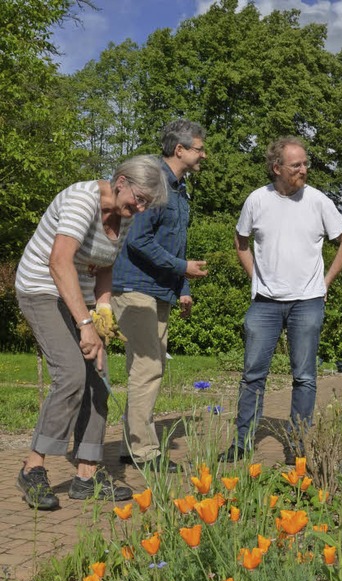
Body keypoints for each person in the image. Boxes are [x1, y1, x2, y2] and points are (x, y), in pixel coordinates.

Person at [15, 155, 168, 510]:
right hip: (41, 289)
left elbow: (104, 268)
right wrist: (84, 326)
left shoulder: (124, 217)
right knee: (70, 376)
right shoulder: (80, 200)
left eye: (148, 203)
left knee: (97, 379)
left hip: (78, 297)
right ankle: (32, 469)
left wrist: (101, 314)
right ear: (121, 181)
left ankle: (86, 475)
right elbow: (58, 262)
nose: (141, 207)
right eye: (139, 198)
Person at [221, 136, 342, 463]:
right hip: (265, 303)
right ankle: (242, 443)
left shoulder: (318, 201)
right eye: (296, 165)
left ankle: (297, 445)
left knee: (304, 376)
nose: (304, 169)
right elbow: (241, 241)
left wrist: (325, 282)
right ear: (277, 168)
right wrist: (256, 277)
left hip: (307, 301)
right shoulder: (257, 200)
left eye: (305, 163)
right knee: (253, 374)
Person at [111, 120, 208, 471]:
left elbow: (174, 242)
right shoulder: (152, 184)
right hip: (135, 288)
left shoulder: (180, 190)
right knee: (148, 367)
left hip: (160, 291)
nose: (203, 154)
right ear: (179, 149)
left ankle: (131, 444)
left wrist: (182, 286)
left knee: (148, 368)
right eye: (198, 148)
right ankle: (143, 452)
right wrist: (182, 268)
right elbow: (138, 240)